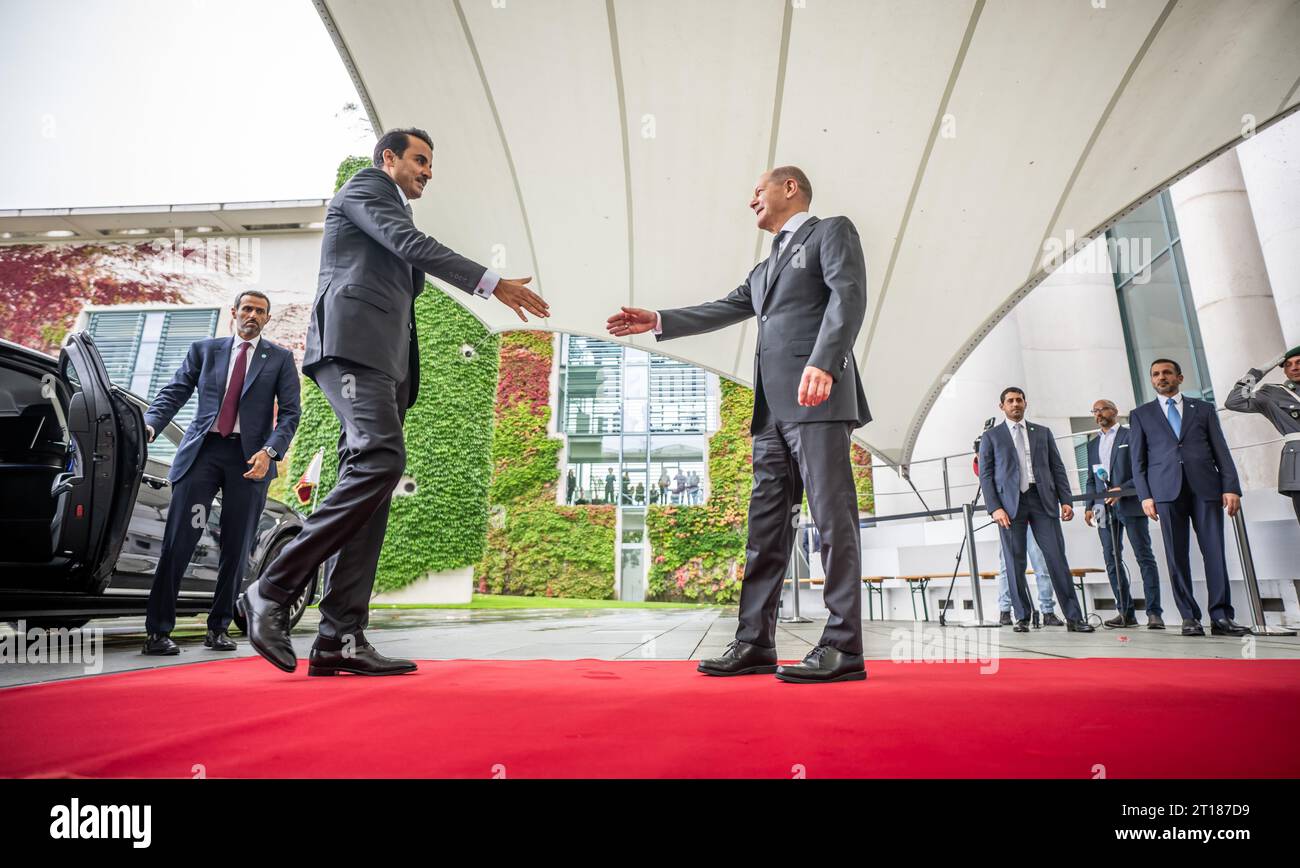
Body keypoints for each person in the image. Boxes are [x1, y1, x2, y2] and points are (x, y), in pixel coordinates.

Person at [239, 127, 549, 676]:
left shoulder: (393, 212)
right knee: (382, 459)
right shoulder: (367, 188)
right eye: (420, 160)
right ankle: (273, 586)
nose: (428, 172)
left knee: (371, 486)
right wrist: (491, 281)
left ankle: (341, 637)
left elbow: (404, 264)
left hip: (384, 364)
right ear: (389, 158)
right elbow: (410, 247)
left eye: (431, 164)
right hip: (351, 351)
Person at [607, 165, 871, 683]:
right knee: (765, 531)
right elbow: (723, 308)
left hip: (817, 397)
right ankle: (754, 642)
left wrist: (824, 361)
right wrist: (658, 319)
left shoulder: (832, 231)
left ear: (789, 188)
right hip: (771, 412)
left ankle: (843, 645)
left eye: (758, 190)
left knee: (832, 521)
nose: (751, 200)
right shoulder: (764, 267)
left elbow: (849, 296)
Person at [140, 291, 300, 656]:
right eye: (247, 309)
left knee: (236, 545)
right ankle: (158, 631)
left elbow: (291, 413)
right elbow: (175, 391)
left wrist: (270, 451)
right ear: (234, 313)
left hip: (250, 459)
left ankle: (218, 628)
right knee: (179, 540)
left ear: (267, 319)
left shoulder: (278, 358)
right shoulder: (205, 350)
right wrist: (150, 425)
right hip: (203, 452)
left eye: (260, 312)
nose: (253, 316)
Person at [1130, 359, 1250, 637]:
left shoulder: (1203, 409)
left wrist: (1230, 486)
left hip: (1206, 488)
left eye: (1167, 373)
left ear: (1179, 377)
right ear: (1151, 380)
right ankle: (1189, 617)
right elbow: (1138, 462)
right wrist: (1145, 496)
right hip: (1165, 492)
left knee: (1215, 552)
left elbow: (1221, 450)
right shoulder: (1141, 415)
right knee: (1177, 555)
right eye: (1156, 374)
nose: (1161, 377)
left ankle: (1221, 616)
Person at [978, 387, 1093, 633]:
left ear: (1025, 403)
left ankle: (1074, 618)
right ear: (1002, 407)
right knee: (1014, 561)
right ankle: (1022, 617)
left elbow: (1057, 467)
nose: (1015, 404)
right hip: (1009, 507)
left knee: (1056, 559)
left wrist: (1066, 500)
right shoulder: (992, 437)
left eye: (1019, 400)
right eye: (1010, 401)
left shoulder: (1042, 432)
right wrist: (995, 508)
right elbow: (986, 476)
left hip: (1043, 501)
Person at [1083, 398, 1164, 629]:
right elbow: (1091, 479)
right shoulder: (1091, 444)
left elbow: (1143, 470)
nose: (1099, 414)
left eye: (1104, 409)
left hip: (1130, 504)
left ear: (1115, 411)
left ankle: (1154, 613)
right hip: (1102, 508)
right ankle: (1125, 613)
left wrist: (1123, 489)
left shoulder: (1131, 436)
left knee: (1144, 556)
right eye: (1095, 410)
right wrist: (1089, 506)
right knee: (1111, 559)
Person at [1224, 346, 1300, 525]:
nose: (1294, 367)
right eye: (1288, 365)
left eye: (1299, 362)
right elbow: (1234, 401)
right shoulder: (1272, 393)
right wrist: (1259, 371)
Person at [994, 528, 1060, 626]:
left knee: (1042, 568)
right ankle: (1005, 612)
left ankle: (1048, 612)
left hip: (1033, 522)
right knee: (1007, 568)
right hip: (1009, 522)